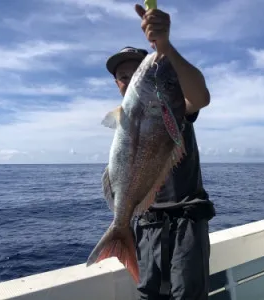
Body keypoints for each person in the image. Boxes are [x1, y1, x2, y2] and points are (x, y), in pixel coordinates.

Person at [105, 4, 216, 300]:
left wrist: (164, 46)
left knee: (186, 296)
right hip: (145, 223)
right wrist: (123, 221)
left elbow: (201, 97)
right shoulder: (124, 117)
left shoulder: (173, 106)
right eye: (122, 76)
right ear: (117, 84)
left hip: (186, 223)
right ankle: (119, 231)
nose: (128, 79)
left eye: (134, 71)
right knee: (149, 295)